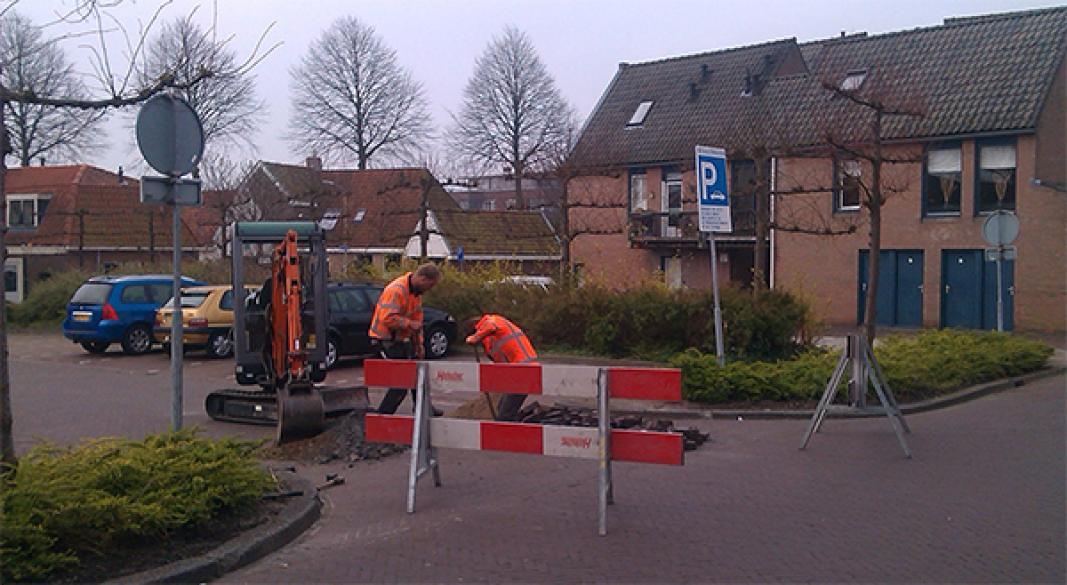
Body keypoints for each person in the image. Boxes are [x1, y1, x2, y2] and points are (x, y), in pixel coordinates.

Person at [369, 263, 442, 415]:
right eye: (430, 285)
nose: (429, 290)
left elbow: (417, 321)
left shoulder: (415, 294)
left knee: (417, 373)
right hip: (385, 340)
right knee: (401, 382)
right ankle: (383, 416)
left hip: (400, 339)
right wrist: (410, 324)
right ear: (422, 278)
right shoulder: (397, 290)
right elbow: (387, 318)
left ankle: (423, 407)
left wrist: (419, 345)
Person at [464, 313, 538, 421]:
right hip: (518, 373)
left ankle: (514, 436)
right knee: (503, 409)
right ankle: (517, 431)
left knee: (505, 416)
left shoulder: (491, 321)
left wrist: (474, 338)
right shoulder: (491, 340)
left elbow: (491, 326)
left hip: (524, 370)